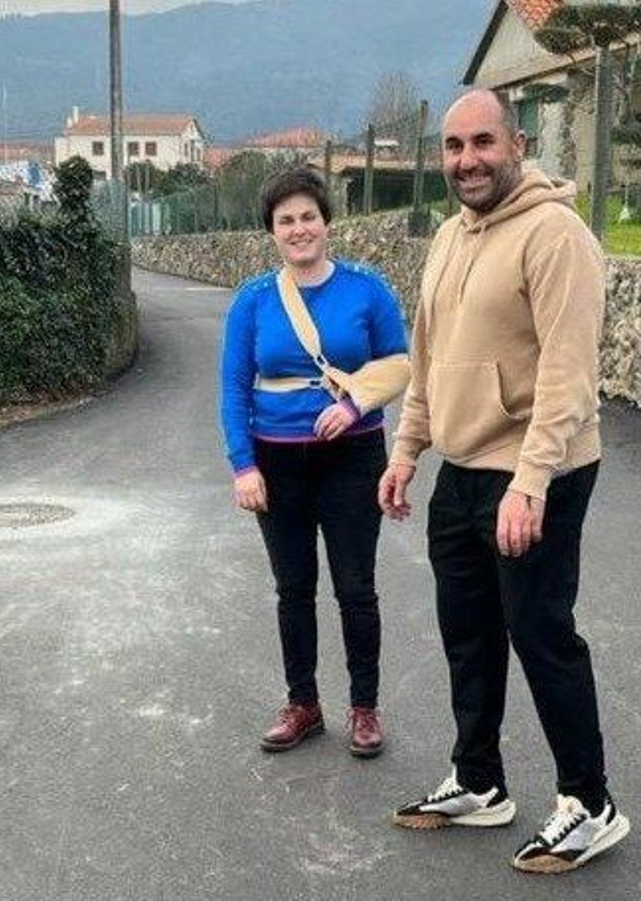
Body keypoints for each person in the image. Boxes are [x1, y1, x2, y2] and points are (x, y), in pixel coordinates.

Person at [379, 90, 628, 874]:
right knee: (468, 631)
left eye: (482, 142)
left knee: (541, 632)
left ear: (516, 142)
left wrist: (531, 481)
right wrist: (405, 449)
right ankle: (479, 780)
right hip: (462, 468)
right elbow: (428, 359)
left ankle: (590, 803)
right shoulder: (449, 237)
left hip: (537, 471)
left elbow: (568, 369)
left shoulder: (557, 235)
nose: (467, 160)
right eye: (453, 146)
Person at [219, 167, 410, 758]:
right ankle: (303, 704)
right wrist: (243, 466)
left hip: (352, 457)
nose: (299, 229)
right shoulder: (252, 301)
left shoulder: (367, 288)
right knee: (293, 589)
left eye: (308, 217)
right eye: (286, 221)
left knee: (356, 588)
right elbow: (234, 390)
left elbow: (400, 364)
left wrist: (353, 405)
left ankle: (364, 709)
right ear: (272, 232)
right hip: (277, 463)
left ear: (327, 222)